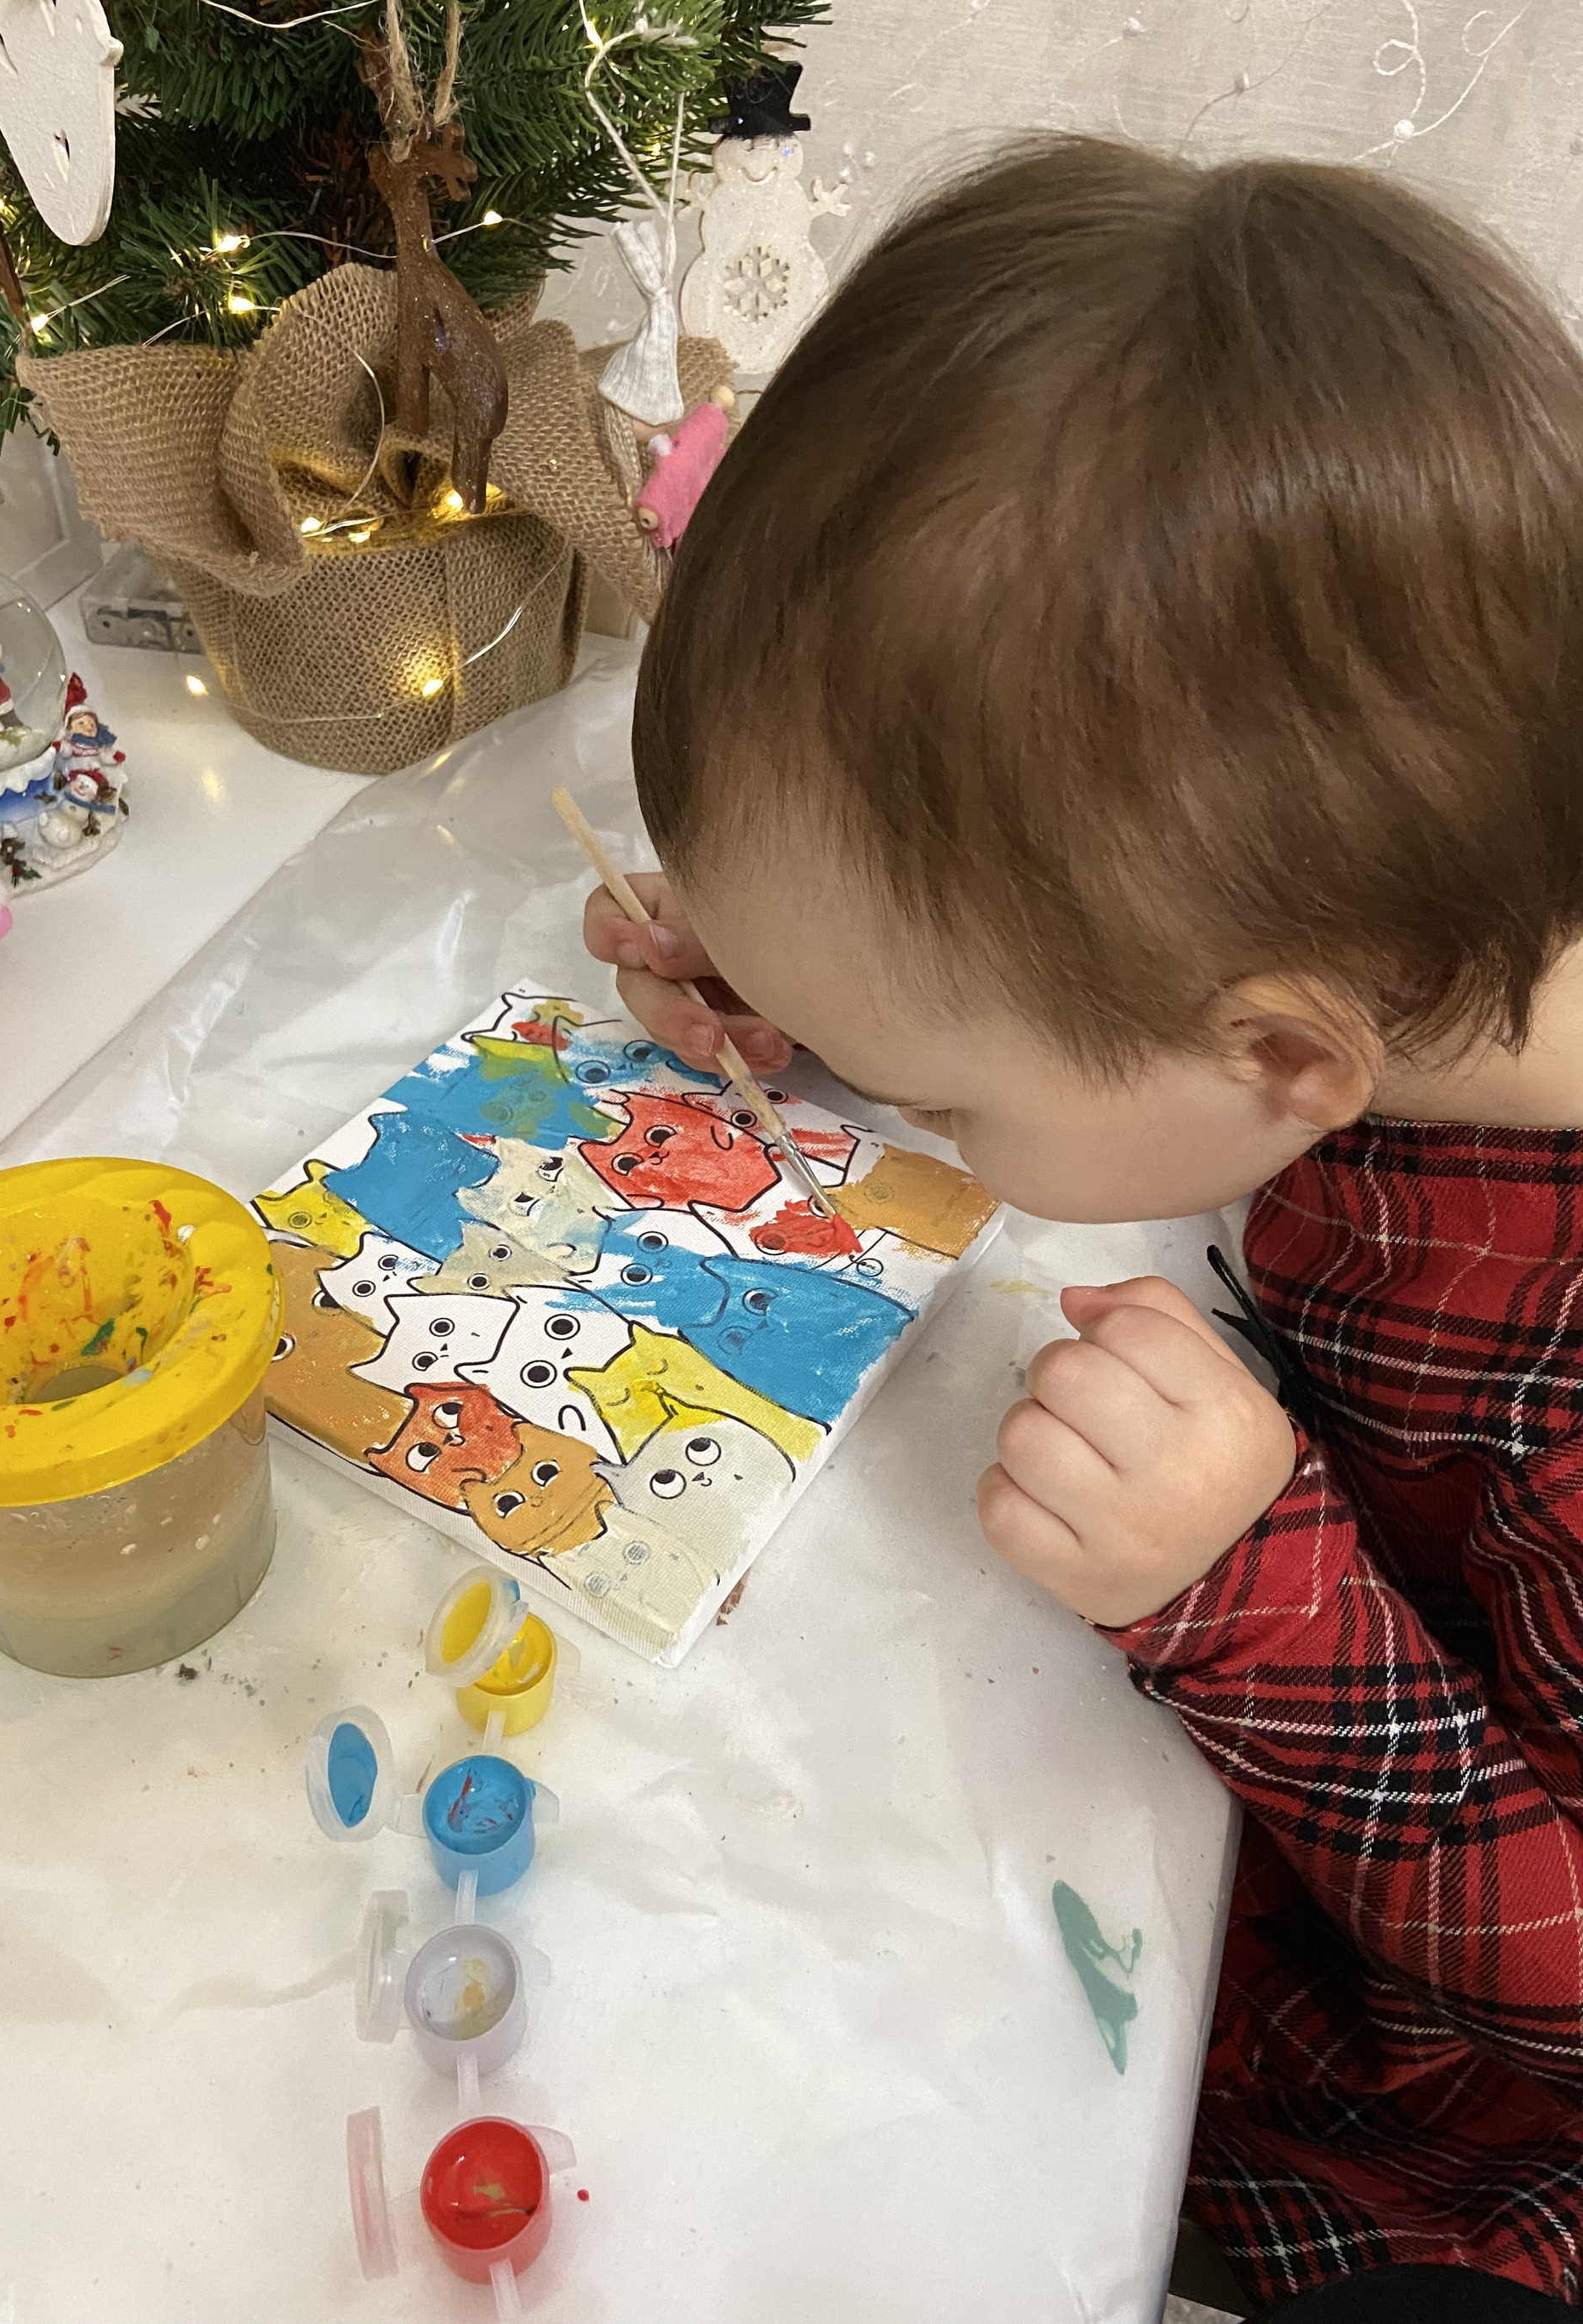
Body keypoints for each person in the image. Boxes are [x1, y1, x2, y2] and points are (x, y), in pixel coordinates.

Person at [582, 137, 1583, 2320]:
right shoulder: (1418, 902)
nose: (915, 1111)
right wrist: (821, 981)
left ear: (1286, 1057)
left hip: (1448, 2105)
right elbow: (1114, 1007)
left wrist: (1250, 1586)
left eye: (948, 1096)